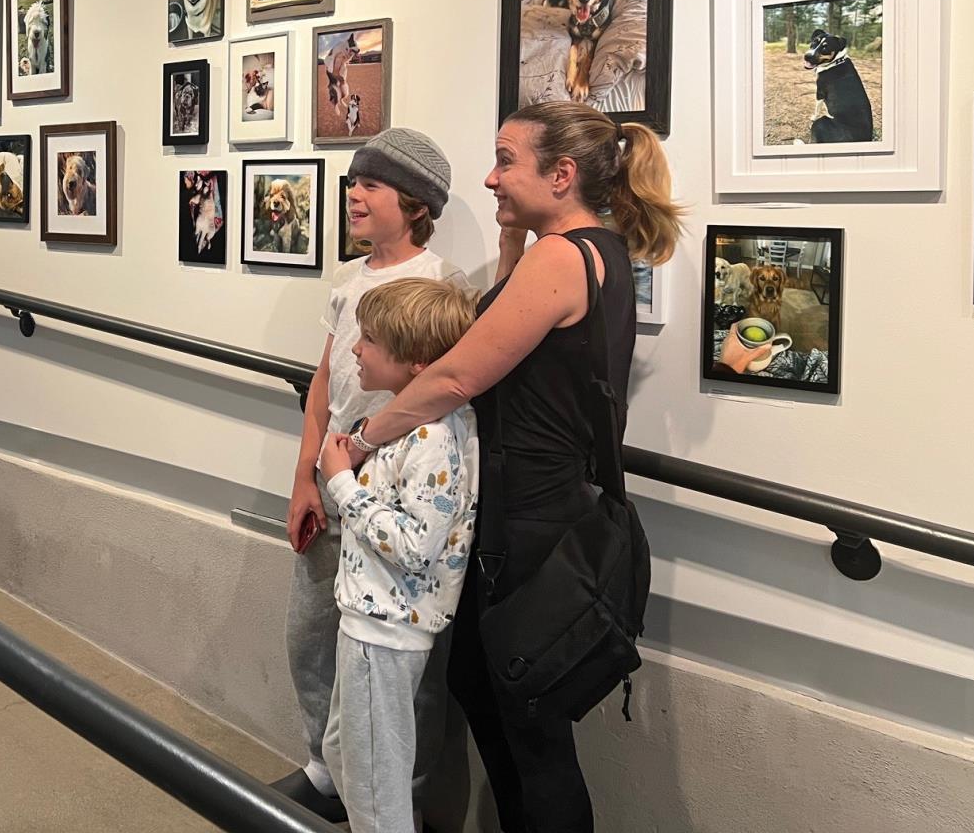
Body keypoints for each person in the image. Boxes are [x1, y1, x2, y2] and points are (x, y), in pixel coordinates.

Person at [350, 101, 684, 833]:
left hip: (529, 526)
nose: (490, 177)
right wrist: (507, 242)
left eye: (506, 161)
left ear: (561, 175)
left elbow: (456, 375)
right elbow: (501, 337)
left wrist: (362, 440)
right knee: (493, 695)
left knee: (532, 736)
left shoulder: (565, 258)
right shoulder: (589, 251)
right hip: (534, 513)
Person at [274, 128, 470, 827]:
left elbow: (450, 387)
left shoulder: (443, 284)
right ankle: (327, 772)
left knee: (395, 664)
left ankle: (398, 797)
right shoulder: (346, 280)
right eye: (353, 182)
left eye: (372, 185)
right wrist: (307, 478)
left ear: (415, 203)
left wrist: (358, 457)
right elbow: (325, 381)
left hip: (395, 495)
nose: (354, 195)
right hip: (336, 478)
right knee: (312, 634)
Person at [317, 277, 480, 833]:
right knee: (344, 752)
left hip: (386, 631)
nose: (355, 350)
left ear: (414, 362)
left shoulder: (434, 436)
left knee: (375, 793)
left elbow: (415, 546)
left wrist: (342, 485)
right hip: (370, 622)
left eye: (369, 341)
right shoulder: (412, 425)